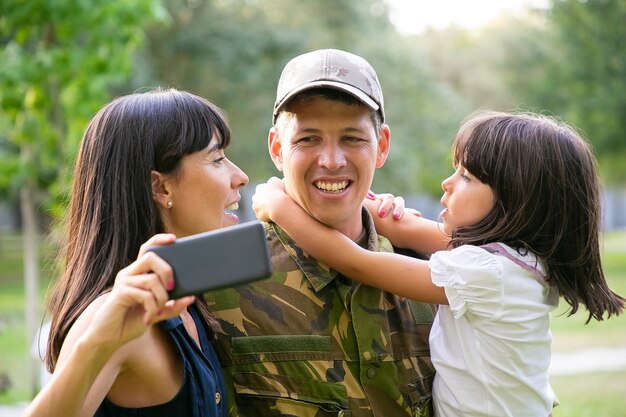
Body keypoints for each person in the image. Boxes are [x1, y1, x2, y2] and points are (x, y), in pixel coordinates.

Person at [251, 110, 626, 417]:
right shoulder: (513, 261)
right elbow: (410, 228)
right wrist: (344, 196)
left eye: (466, 176)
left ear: (514, 202)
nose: (447, 184)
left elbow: (358, 262)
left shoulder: (487, 274)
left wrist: (280, 205)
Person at [203, 49, 436, 416]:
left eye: (352, 138)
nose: (331, 161)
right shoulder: (216, 278)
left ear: (383, 146)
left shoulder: (431, 279)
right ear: (277, 149)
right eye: (308, 139)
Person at [24, 88, 249, 417]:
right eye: (216, 159)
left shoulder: (184, 299)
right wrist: (101, 340)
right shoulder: (113, 317)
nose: (240, 177)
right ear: (161, 187)